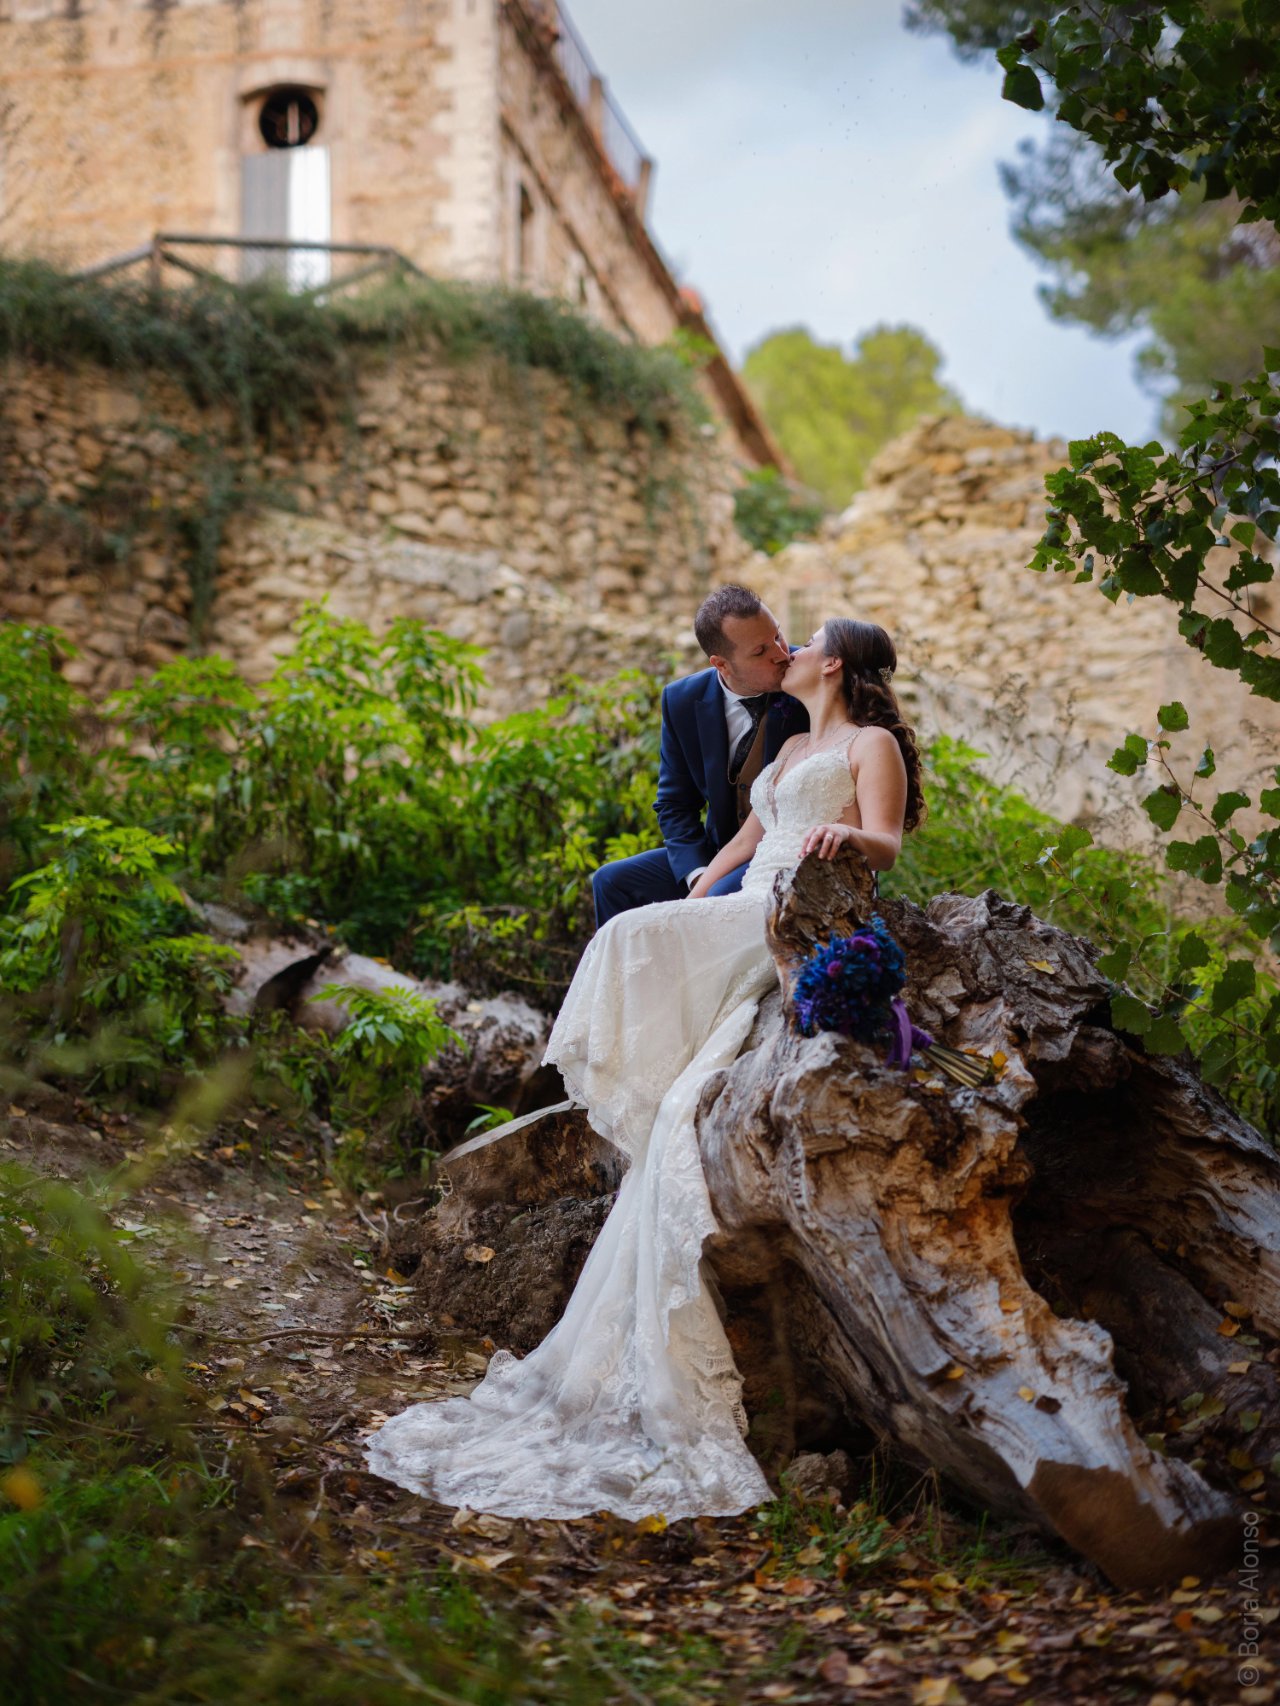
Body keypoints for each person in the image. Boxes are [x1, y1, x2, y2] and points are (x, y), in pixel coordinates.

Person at [365, 620, 925, 1521]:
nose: (795, 646)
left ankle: (629, 1055)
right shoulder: (791, 746)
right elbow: (747, 836)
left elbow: (889, 843)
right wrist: (702, 883)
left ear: (838, 664)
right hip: (744, 900)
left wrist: (843, 841)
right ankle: (637, 1069)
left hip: (797, 913)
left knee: (629, 933)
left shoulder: (872, 743)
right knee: (636, 922)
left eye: (809, 638)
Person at [590, 583, 809, 926]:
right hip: (720, 851)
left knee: (718, 897)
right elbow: (675, 804)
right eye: (760, 651)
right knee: (611, 882)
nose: (781, 654)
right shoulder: (681, 700)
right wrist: (697, 875)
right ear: (721, 664)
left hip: (788, 854)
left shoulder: (809, 675)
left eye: (778, 635)